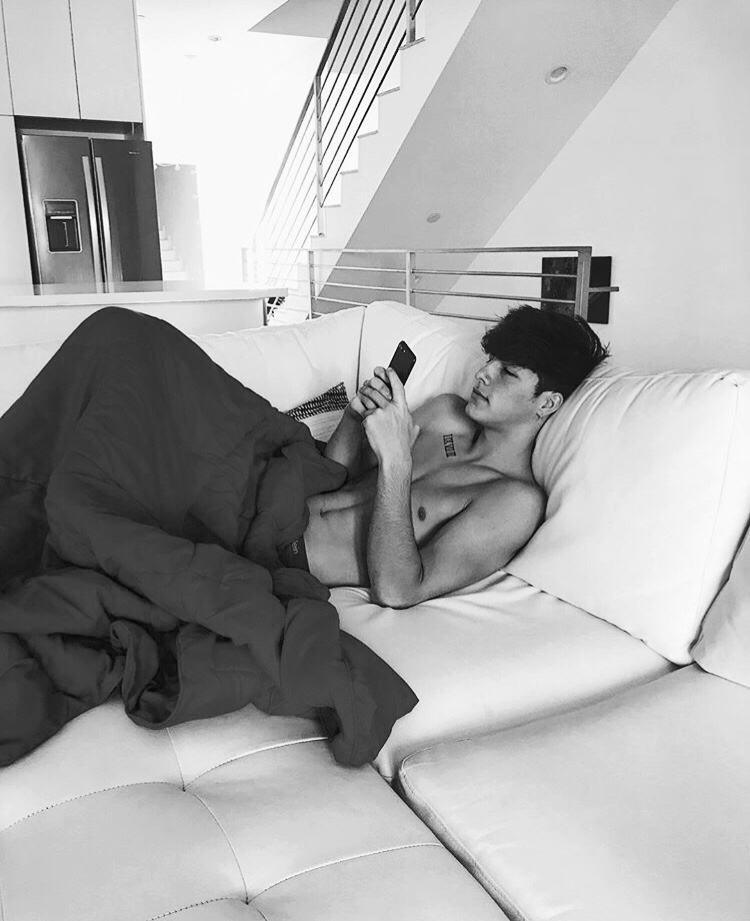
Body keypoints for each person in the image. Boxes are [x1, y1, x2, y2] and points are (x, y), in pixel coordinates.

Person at [298, 305, 609, 607]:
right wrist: (354, 417)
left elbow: (398, 591)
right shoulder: (445, 413)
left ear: (547, 403)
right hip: (284, 501)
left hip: (293, 558)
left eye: (507, 372)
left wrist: (396, 462)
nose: (483, 374)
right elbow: (337, 478)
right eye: (490, 360)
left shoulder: (515, 504)